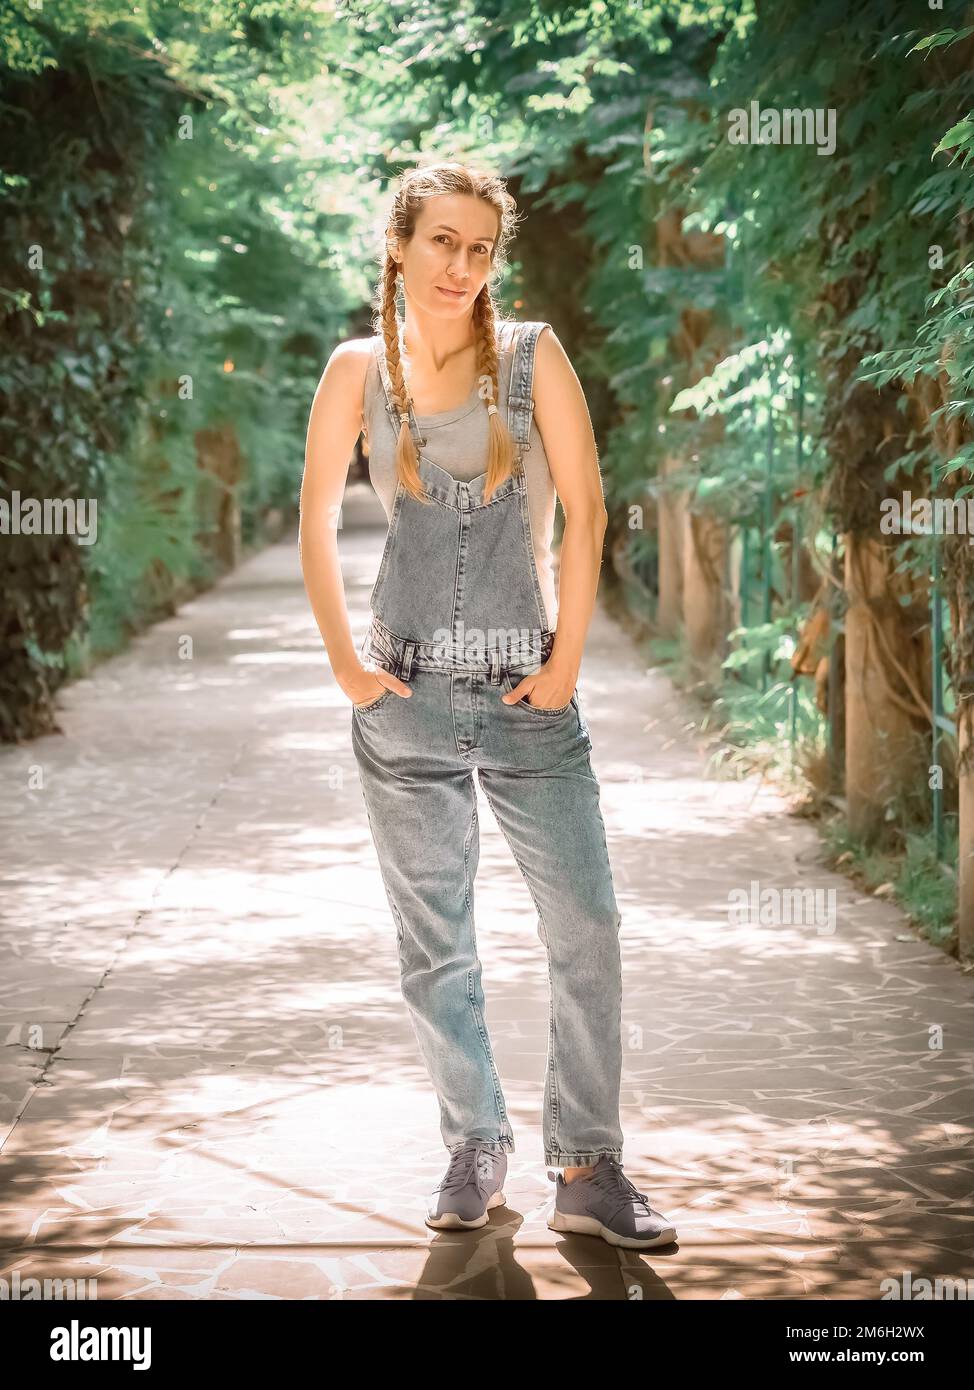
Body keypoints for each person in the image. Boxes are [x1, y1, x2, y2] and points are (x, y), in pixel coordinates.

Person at [299, 161, 676, 1251]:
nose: (461, 266)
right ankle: (474, 1145)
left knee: (587, 924)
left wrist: (565, 662)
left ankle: (587, 1163)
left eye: (478, 248)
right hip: (404, 695)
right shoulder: (355, 370)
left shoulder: (531, 356)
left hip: (527, 692)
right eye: (441, 243)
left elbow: (592, 510)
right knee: (436, 944)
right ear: (399, 247)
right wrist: (345, 669)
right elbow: (315, 523)